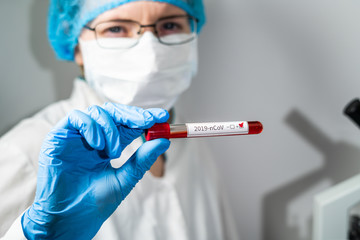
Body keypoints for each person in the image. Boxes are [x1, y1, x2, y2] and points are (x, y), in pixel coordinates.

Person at [0, 0, 239, 239]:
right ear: (77, 47)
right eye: (116, 28)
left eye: (169, 24)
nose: (151, 53)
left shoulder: (195, 145)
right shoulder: (25, 153)